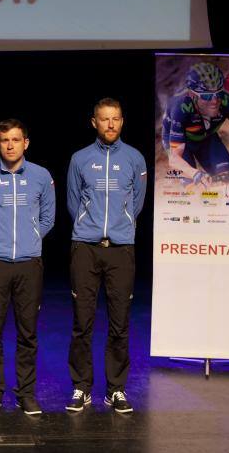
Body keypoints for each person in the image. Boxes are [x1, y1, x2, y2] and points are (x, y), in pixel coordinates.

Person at [65, 98, 147, 414]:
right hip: (85, 249)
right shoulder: (79, 159)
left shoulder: (135, 159)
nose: (110, 124)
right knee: (82, 322)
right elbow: (73, 202)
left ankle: (116, 389)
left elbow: (137, 203)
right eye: (104, 119)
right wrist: (89, 227)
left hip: (122, 250)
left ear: (122, 122)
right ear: (94, 122)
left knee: (119, 323)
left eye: (115, 119)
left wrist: (119, 225)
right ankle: (81, 387)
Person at [0, 119, 55, 416]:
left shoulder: (42, 177)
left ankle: (26, 393)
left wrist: (30, 240)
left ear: (25, 143)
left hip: (29, 264)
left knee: (27, 333)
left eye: (15, 140)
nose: (10, 145)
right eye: (4, 139)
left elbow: (48, 219)